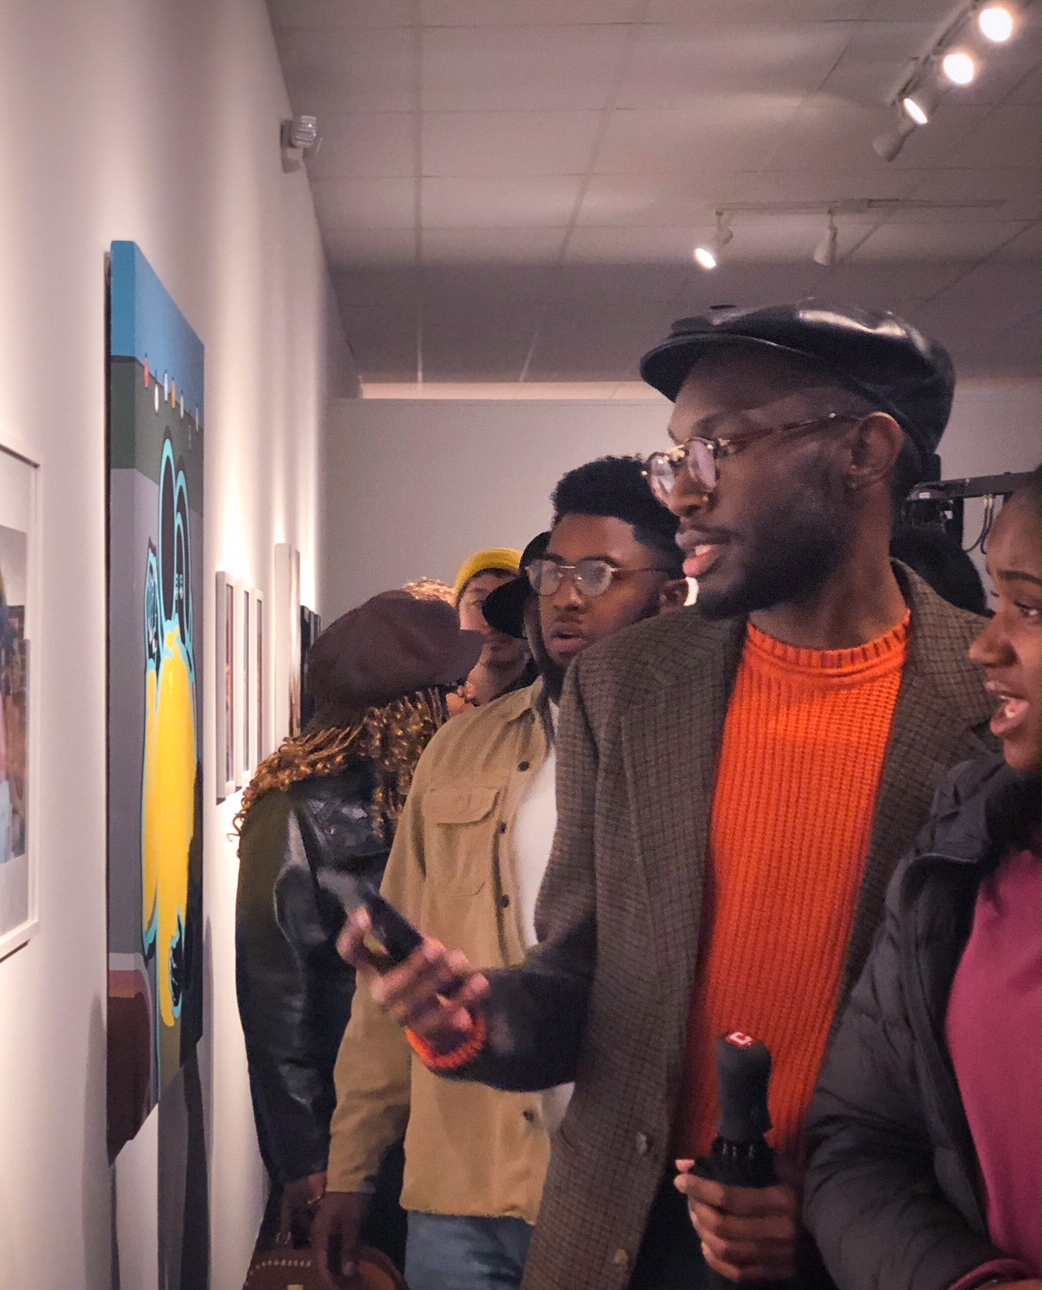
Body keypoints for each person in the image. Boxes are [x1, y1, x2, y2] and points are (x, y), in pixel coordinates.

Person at [337, 301, 996, 1289]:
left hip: (886, 1253)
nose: (684, 495)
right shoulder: (630, 686)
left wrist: (836, 1213)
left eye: (718, 449)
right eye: (675, 456)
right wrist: (482, 1018)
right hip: (633, 1239)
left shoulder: (990, 701)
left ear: (863, 450)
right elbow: (584, 977)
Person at [315, 458, 687, 1290]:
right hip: (465, 1186)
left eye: (598, 574)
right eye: (552, 571)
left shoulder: (697, 762)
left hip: (622, 1193)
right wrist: (351, 1164)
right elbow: (393, 964)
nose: (564, 596)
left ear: (669, 596)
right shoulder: (461, 749)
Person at [803, 464, 1042, 1290]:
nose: (987, 642)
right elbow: (859, 1143)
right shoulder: (961, 856)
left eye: (1033, 606)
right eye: (995, 597)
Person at [234, 590, 483, 1262]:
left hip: (446, 1108)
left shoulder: (436, 795)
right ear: (412, 709)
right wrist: (306, 1161)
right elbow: (277, 1001)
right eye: (459, 689)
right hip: (358, 1127)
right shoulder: (293, 812)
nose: (475, 700)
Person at [452, 549, 534, 709]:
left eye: (509, 603)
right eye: (479, 603)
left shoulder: (555, 704)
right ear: (456, 613)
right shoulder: (431, 706)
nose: (492, 619)